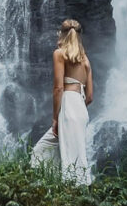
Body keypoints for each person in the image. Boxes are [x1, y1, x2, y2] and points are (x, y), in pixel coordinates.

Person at [29, 18, 94, 184]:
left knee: (72, 160)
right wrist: (78, 107)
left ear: (62, 34)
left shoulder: (59, 54)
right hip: (80, 108)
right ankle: (53, 187)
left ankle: (75, 199)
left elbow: (58, 88)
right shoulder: (85, 60)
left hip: (68, 105)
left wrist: (55, 118)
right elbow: (90, 96)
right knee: (44, 150)